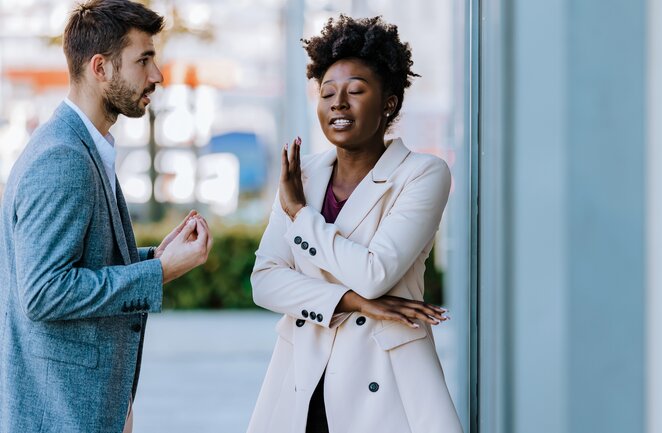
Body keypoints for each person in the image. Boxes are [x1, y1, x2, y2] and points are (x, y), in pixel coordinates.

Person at [0, 1, 213, 432]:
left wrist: (154, 256)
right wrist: (157, 273)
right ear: (101, 68)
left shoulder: (81, 144)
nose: (157, 75)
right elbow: (43, 293)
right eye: (144, 60)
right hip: (60, 413)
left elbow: (77, 264)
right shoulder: (63, 157)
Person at [247, 15, 463, 433]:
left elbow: (374, 273)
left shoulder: (422, 173)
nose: (338, 103)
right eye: (327, 93)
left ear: (389, 103)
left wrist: (301, 216)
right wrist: (352, 303)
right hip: (301, 379)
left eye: (356, 91)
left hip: (385, 382)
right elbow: (264, 280)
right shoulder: (302, 177)